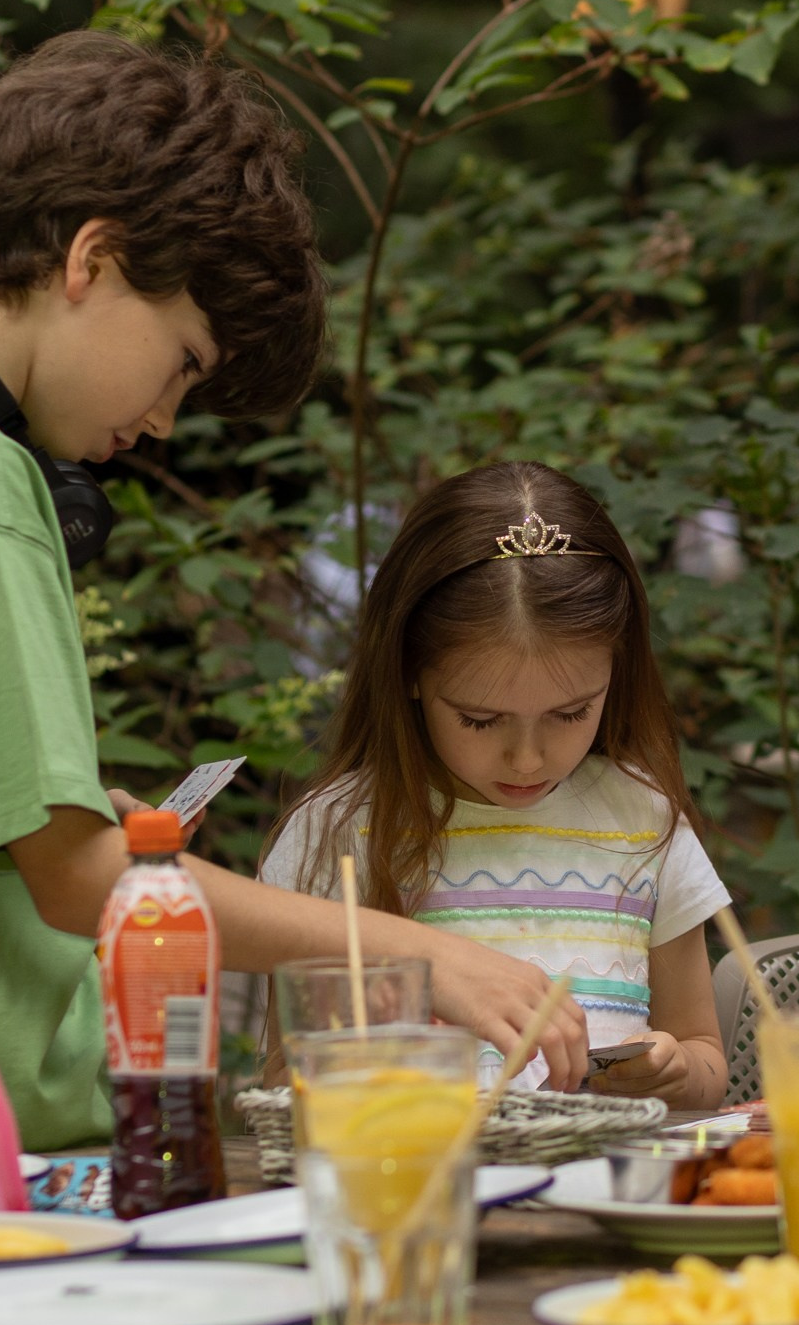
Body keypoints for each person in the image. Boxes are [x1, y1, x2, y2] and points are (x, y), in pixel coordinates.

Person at [0, 33, 588, 1163]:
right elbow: (77, 882)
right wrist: (405, 948)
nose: (164, 419)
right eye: (181, 360)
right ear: (93, 259)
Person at [263, 461, 730, 1110]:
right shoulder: (337, 832)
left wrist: (674, 1070)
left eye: (571, 713)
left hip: (604, 1198)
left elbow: (705, 1055)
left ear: (615, 673)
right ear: (410, 672)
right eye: (480, 719)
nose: (528, 756)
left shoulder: (643, 818)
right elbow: (283, 1081)